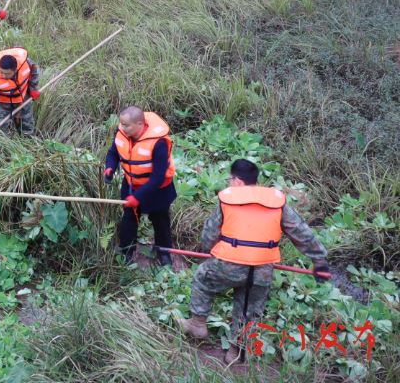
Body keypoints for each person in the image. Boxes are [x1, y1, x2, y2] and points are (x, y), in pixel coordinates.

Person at [179, 159, 329, 365]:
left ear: (237, 180)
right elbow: (300, 232)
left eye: (230, 179)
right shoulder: (277, 202)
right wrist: (319, 260)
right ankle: (235, 352)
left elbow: (210, 232)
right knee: (248, 309)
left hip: (227, 264)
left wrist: (209, 250)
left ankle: (197, 324)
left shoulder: (227, 199)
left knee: (203, 279)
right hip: (262, 270)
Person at [103, 106, 177, 267]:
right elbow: (113, 153)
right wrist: (110, 167)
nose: (122, 127)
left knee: (160, 221)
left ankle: (164, 253)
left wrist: (138, 197)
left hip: (158, 190)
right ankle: (127, 253)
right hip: (131, 185)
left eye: (126, 125)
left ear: (139, 124)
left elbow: (158, 177)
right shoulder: (122, 133)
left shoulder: (159, 143)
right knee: (129, 220)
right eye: (121, 124)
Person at [0, 48, 40, 136]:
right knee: (2, 129)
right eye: (1, 72)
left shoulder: (26, 64)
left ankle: (29, 139)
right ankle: (7, 141)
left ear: (15, 70)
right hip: (3, 103)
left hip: (23, 98)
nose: (3, 76)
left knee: (27, 122)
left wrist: (33, 89)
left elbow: (34, 72)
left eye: (7, 73)